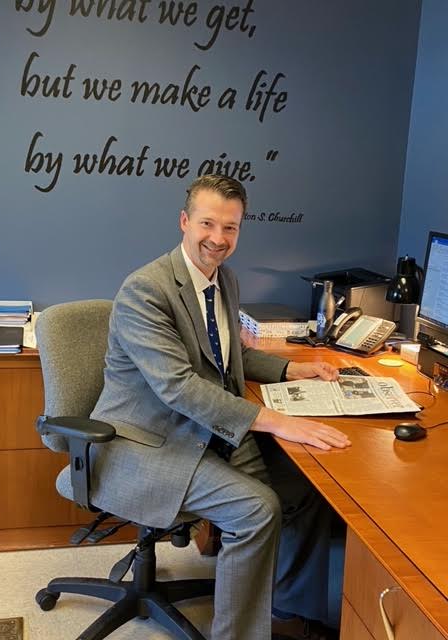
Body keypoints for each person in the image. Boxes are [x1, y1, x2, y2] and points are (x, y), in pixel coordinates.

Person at [89, 175, 351, 640]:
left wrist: (293, 370)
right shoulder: (145, 290)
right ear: (185, 221)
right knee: (258, 509)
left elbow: (230, 355)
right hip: (149, 441)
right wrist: (279, 422)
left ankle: (287, 614)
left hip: (210, 431)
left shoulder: (223, 280)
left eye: (230, 228)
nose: (218, 238)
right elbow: (179, 387)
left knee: (306, 492)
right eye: (208, 223)